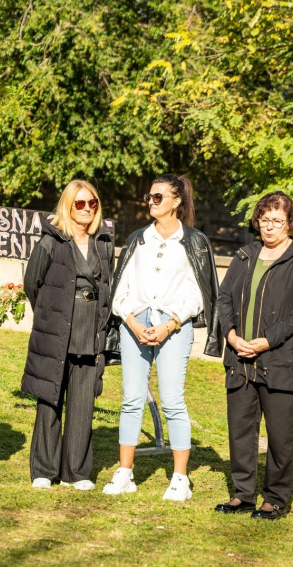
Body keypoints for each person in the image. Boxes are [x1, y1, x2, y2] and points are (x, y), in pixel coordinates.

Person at [100, 174, 222, 500]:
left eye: (157, 197)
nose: (150, 202)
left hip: (175, 326)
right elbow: (119, 289)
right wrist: (133, 323)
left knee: (172, 401)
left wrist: (170, 324)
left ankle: (180, 479)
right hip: (134, 323)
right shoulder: (138, 238)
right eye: (149, 197)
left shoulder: (194, 241)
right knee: (131, 398)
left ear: (176, 201)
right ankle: (125, 473)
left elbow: (200, 295)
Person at [215, 191, 293, 520]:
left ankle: (275, 498)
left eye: (277, 221)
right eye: (265, 220)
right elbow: (223, 298)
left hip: (281, 361)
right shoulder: (245, 256)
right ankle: (243, 494)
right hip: (240, 360)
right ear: (257, 221)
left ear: (290, 224)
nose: (270, 227)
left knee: (279, 435)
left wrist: (265, 341)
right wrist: (231, 335)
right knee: (241, 431)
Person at [23, 181, 115, 491]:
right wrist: (52, 315)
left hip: (91, 332)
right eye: (80, 203)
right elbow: (32, 283)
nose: (87, 208)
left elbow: (107, 288)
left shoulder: (104, 242)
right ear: (68, 205)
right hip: (57, 331)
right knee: (50, 399)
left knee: (83, 403)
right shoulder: (52, 241)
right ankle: (44, 470)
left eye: (92, 203)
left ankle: (77, 472)